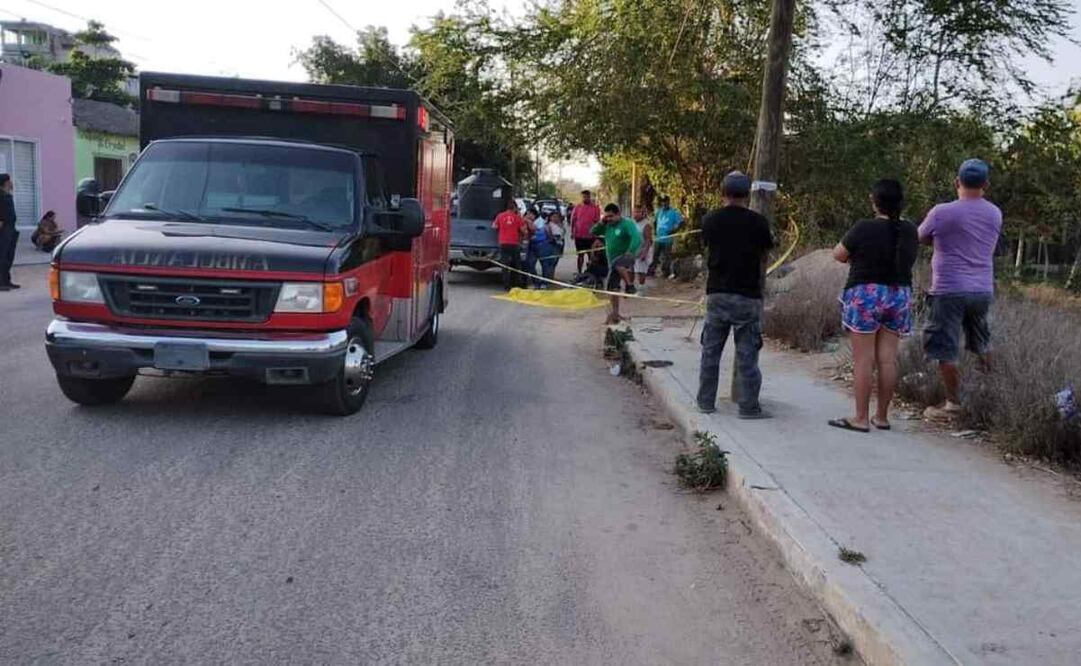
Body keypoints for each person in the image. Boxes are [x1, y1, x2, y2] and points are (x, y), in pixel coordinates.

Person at [828, 180, 919, 433]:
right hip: (898, 294)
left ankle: (860, 417)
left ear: (873, 200)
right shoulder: (909, 230)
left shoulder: (863, 228)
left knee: (863, 360)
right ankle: (882, 417)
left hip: (866, 294)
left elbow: (838, 254)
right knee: (887, 360)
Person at [918, 159, 1003, 421]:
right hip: (981, 289)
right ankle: (989, 395)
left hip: (949, 288)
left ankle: (953, 404)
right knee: (982, 341)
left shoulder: (941, 212)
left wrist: (940, 240)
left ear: (957, 182)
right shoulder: (994, 213)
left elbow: (920, 237)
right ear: (986, 184)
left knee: (946, 347)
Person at [696, 172, 774, 419]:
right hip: (748, 296)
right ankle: (748, 406)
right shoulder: (759, 222)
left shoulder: (710, 220)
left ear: (723, 192)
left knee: (710, 352)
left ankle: (705, 402)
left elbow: (707, 245)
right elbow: (767, 249)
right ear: (747, 193)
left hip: (718, 293)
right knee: (748, 355)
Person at [589, 203, 641, 324]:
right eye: (607, 216)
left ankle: (630, 286)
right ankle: (615, 314)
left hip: (627, 256)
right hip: (611, 261)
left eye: (611, 216)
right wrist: (602, 222)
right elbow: (592, 231)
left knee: (618, 264)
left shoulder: (627, 223)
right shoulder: (606, 224)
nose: (609, 219)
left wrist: (631, 250)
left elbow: (636, 237)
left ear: (618, 214)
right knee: (612, 288)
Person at [492, 198, 529, 291]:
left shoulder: (500, 216)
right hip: (514, 243)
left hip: (503, 242)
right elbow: (524, 230)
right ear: (514, 208)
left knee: (505, 265)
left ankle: (506, 286)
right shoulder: (517, 218)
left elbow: (494, 226)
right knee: (516, 264)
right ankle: (517, 284)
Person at [649, 195, 682, 278]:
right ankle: (652, 271)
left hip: (668, 239)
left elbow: (681, 222)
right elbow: (655, 221)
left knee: (667, 256)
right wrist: (655, 231)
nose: (664, 203)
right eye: (662, 202)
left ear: (668, 202)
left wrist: (674, 230)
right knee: (655, 255)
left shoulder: (673, 212)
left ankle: (665, 272)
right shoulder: (659, 212)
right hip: (658, 238)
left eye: (665, 202)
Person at [570, 190, 601, 274]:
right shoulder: (577, 207)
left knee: (591, 255)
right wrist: (572, 232)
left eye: (587, 196)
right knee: (580, 255)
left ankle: (590, 273)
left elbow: (598, 222)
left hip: (591, 237)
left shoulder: (595, 208)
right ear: (581, 197)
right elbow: (573, 220)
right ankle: (579, 272)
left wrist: (597, 235)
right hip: (579, 236)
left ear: (590, 197)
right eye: (584, 197)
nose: (585, 198)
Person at [0, 174, 19, 291]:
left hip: (11, 228)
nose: (12, 183)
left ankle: (7, 280)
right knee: (2, 256)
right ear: (5, 182)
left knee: (9, 256)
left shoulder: (7, 195)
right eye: (10, 181)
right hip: (3, 228)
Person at [632, 204, 654, 289]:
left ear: (642, 213)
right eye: (634, 212)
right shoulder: (632, 223)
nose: (636, 214)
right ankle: (631, 287)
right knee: (631, 269)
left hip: (644, 249)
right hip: (634, 249)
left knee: (641, 270)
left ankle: (641, 288)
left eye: (638, 212)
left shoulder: (646, 225)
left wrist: (645, 253)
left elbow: (648, 240)